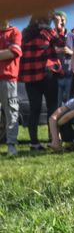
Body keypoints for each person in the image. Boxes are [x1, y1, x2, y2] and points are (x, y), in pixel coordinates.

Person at [18, 14, 62, 151]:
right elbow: (61, 43)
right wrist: (58, 26)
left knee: (34, 109)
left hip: (30, 77)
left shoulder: (24, 33)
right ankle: (53, 139)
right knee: (52, 107)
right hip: (47, 73)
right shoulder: (48, 31)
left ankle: (34, 143)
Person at [0, 18, 21, 156]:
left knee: (11, 112)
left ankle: (11, 145)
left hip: (8, 78)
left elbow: (13, 52)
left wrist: (6, 53)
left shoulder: (15, 32)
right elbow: (6, 53)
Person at [52, 11, 74, 105]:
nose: (61, 22)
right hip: (55, 76)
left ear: (66, 21)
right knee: (56, 104)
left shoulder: (72, 36)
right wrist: (57, 50)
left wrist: (70, 52)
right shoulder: (51, 35)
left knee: (69, 104)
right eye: (58, 20)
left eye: (63, 19)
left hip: (69, 74)